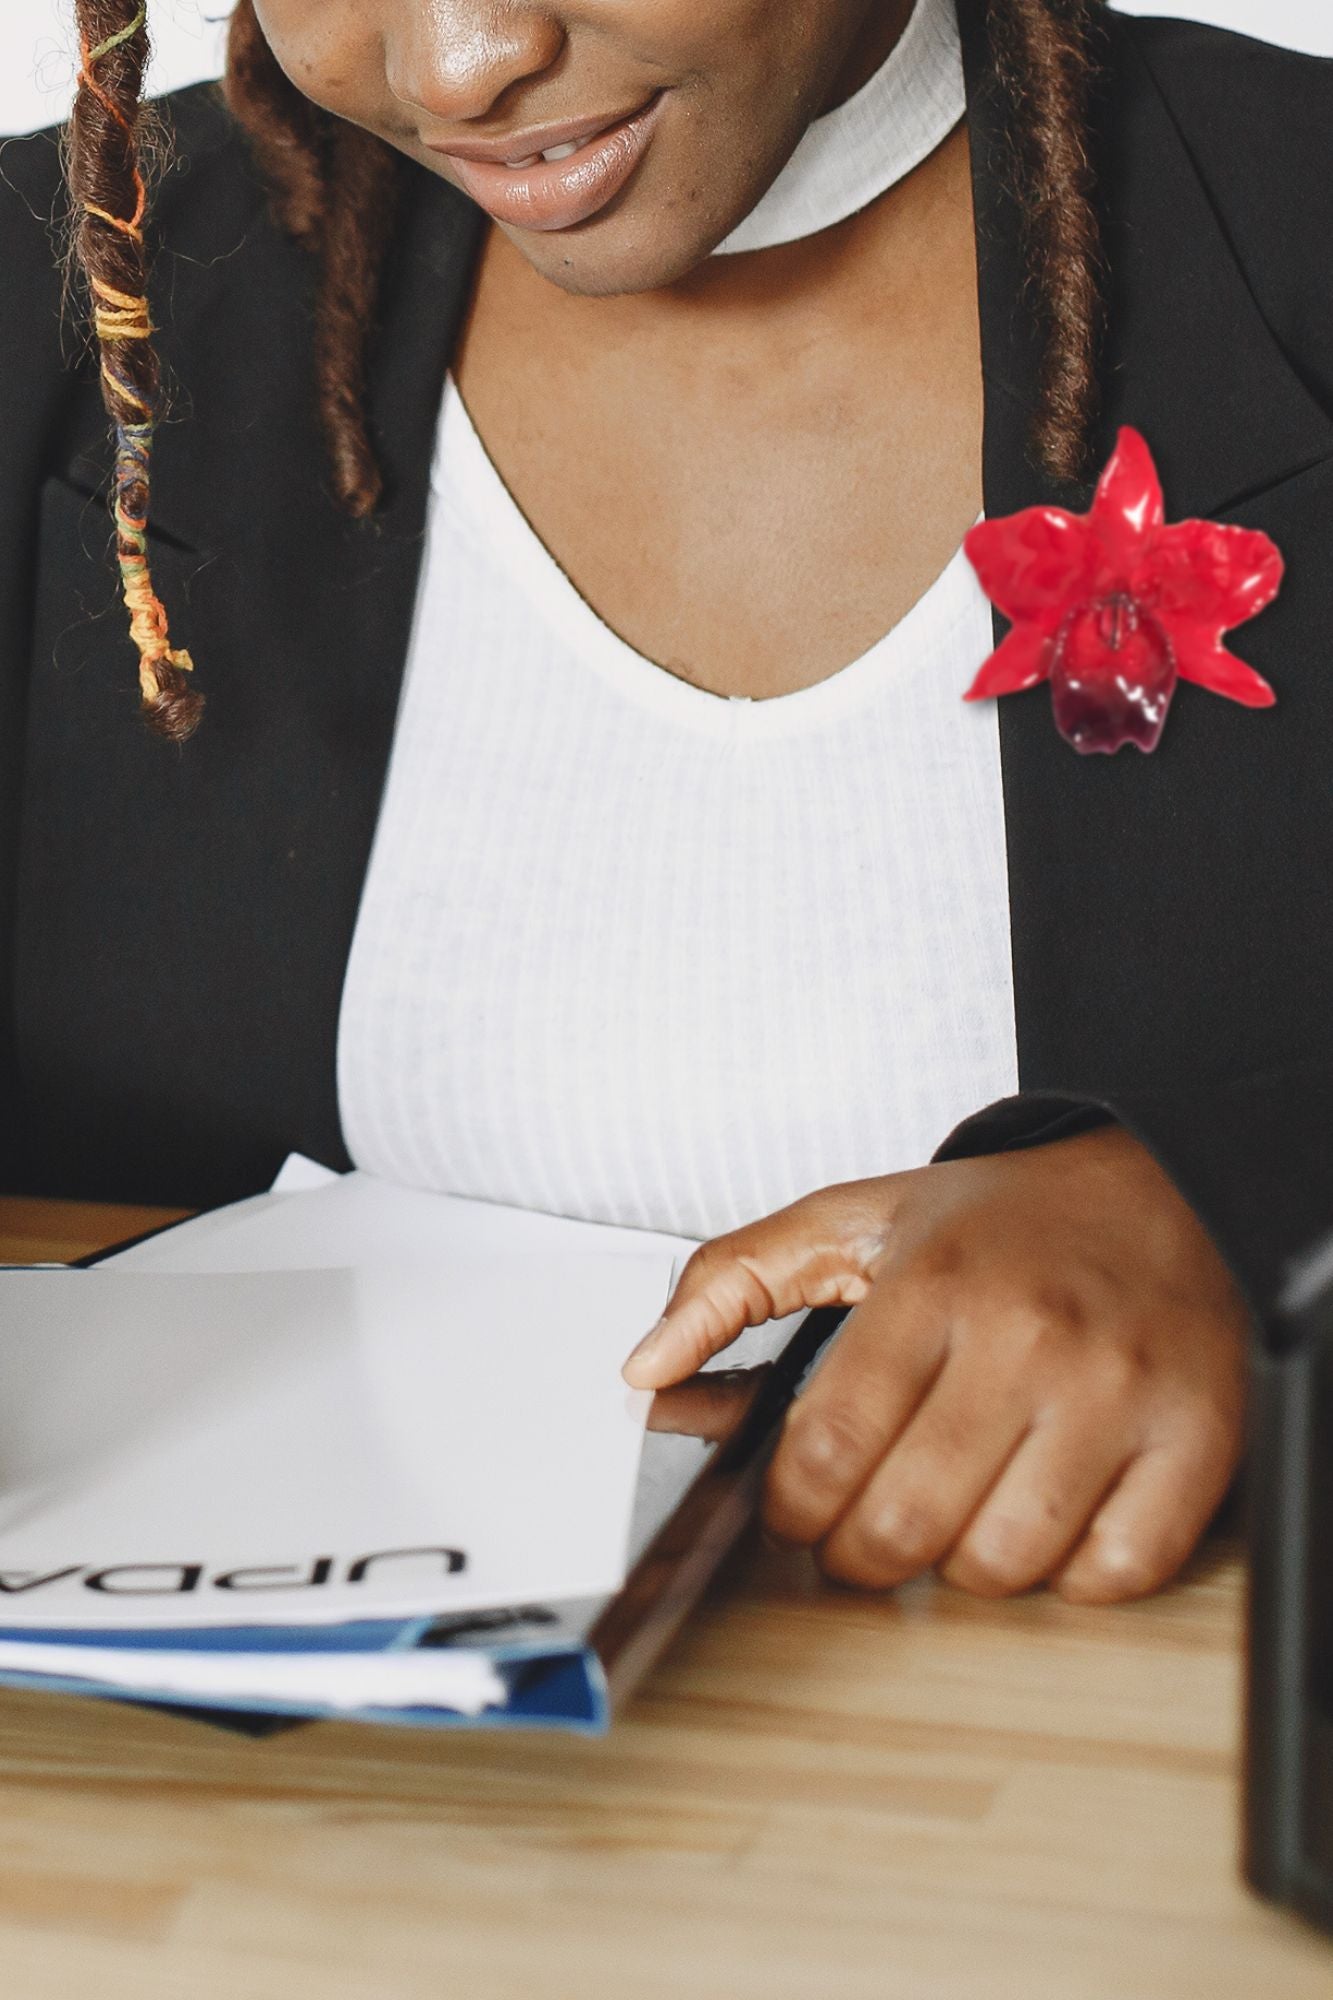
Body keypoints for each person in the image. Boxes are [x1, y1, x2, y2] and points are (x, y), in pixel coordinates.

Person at [3, 0, 1331, 1605]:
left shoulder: (1289, 233)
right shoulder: (69, 301)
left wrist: (1235, 1208)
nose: (456, 65)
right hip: (234, 1807)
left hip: (1060, 1769)